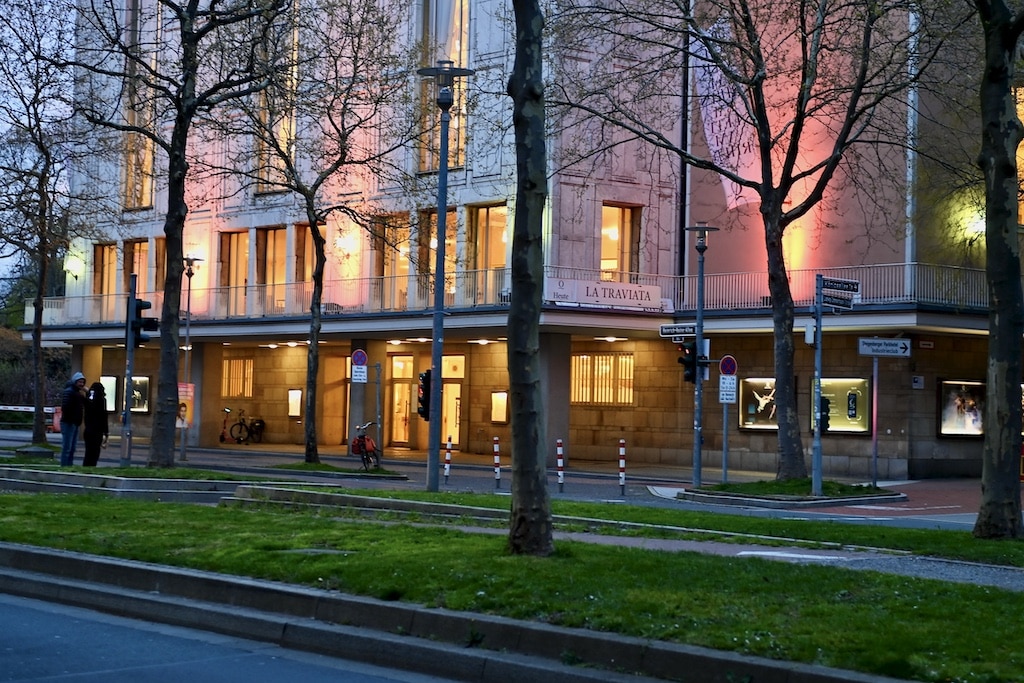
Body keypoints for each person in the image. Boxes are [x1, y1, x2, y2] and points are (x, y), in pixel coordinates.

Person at [59, 371, 88, 466]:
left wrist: (87, 392)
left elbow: (87, 403)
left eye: (83, 382)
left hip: (74, 423)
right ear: (75, 382)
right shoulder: (70, 392)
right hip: (69, 422)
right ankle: (64, 466)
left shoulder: (78, 393)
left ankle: (68, 465)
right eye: (80, 382)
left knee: (72, 448)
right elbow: (65, 407)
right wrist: (72, 418)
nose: (82, 384)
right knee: (67, 447)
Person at [82, 382, 109, 467]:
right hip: (98, 430)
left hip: (89, 429)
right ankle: (92, 465)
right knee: (95, 451)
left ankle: (86, 466)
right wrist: (106, 432)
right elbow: (104, 416)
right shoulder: (101, 400)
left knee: (88, 451)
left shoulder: (88, 401)